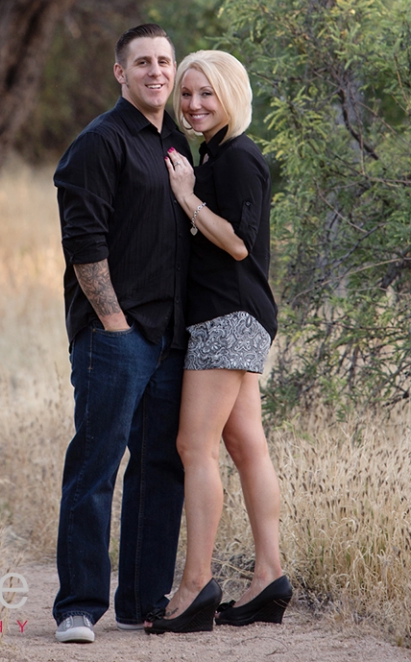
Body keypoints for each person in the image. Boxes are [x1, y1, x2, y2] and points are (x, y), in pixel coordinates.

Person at [51, 23, 192, 644]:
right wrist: (113, 323)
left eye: (164, 61)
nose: (157, 71)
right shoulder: (99, 142)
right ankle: (78, 607)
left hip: (169, 335)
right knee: (97, 462)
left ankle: (142, 602)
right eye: (143, 63)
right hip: (116, 335)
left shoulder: (175, 140)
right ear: (120, 73)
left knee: (160, 466)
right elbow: (84, 242)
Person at [145, 49, 291, 635]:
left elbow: (236, 244)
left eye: (206, 93)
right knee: (244, 443)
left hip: (227, 316)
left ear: (231, 95)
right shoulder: (217, 156)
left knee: (193, 447)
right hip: (232, 315)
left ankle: (195, 584)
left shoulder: (237, 160)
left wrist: (187, 196)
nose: (193, 104)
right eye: (187, 93)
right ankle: (268, 576)